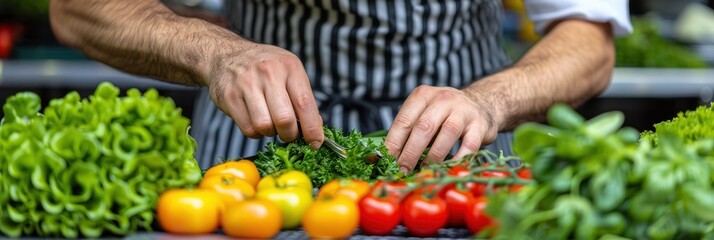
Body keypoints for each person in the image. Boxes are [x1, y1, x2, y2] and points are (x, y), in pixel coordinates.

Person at [49, 0, 631, 172]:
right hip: (252, 153)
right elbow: (77, 8)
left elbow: (589, 41)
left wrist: (489, 99)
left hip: (457, 154)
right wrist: (217, 52)